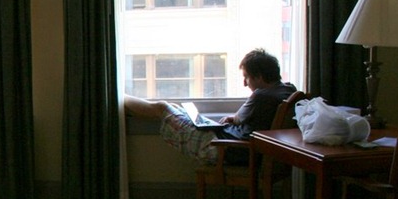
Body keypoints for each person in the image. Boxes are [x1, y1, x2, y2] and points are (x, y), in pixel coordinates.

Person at [123, 48, 297, 165]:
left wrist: (233, 118)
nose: (245, 83)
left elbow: (237, 118)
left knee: (163, 108)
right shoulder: (289, 90)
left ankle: (118, 98)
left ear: (259, 76)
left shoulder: (262, 96)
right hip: (239, 147)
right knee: (175, 108)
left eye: (247, 77)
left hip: (223, 147)